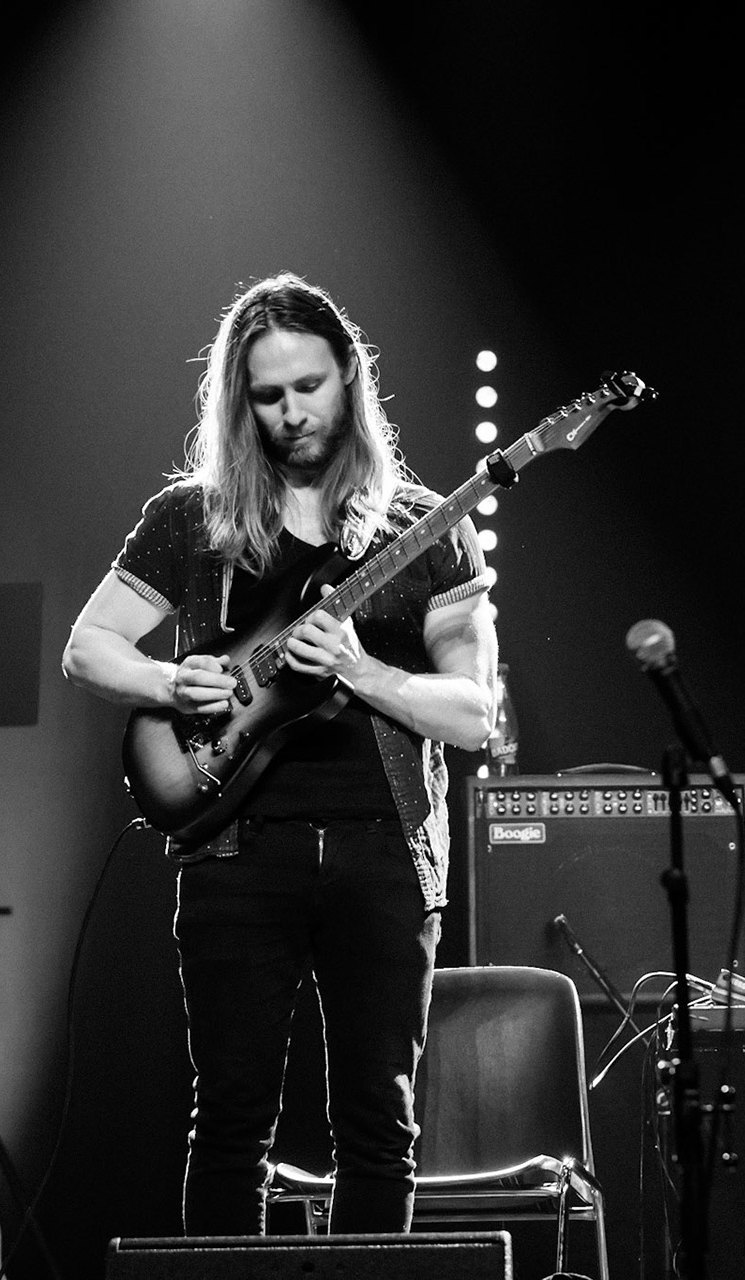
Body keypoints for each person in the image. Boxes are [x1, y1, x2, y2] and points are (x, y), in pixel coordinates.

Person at [62, 273, 498, 1234]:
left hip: (383, 853)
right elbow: (87, 648)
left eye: (310, 386)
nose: (293, 413)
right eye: (269, 395)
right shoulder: (194, 517)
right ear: (239, 400)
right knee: (227, 1126)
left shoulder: (426, 526)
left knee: (381, 1129)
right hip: (231, 848)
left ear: (348, 377)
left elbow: (475, 715)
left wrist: (367, 675)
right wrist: (171, 685)